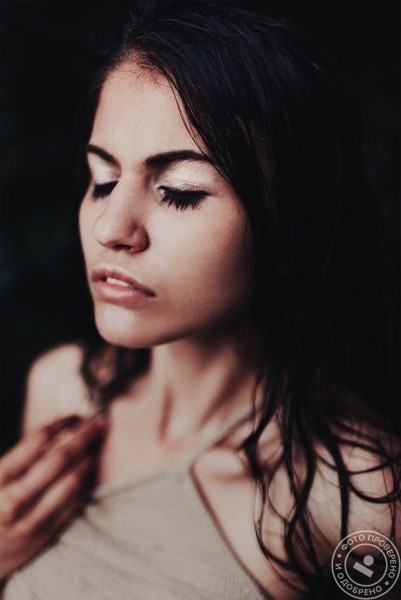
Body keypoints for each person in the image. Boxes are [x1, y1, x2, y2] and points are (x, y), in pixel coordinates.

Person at [1, 1, 400, 598]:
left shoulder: (355, 493)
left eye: (180, 192)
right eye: (103, 180)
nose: (111, 228)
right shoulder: (63, 394)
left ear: (289, 221)